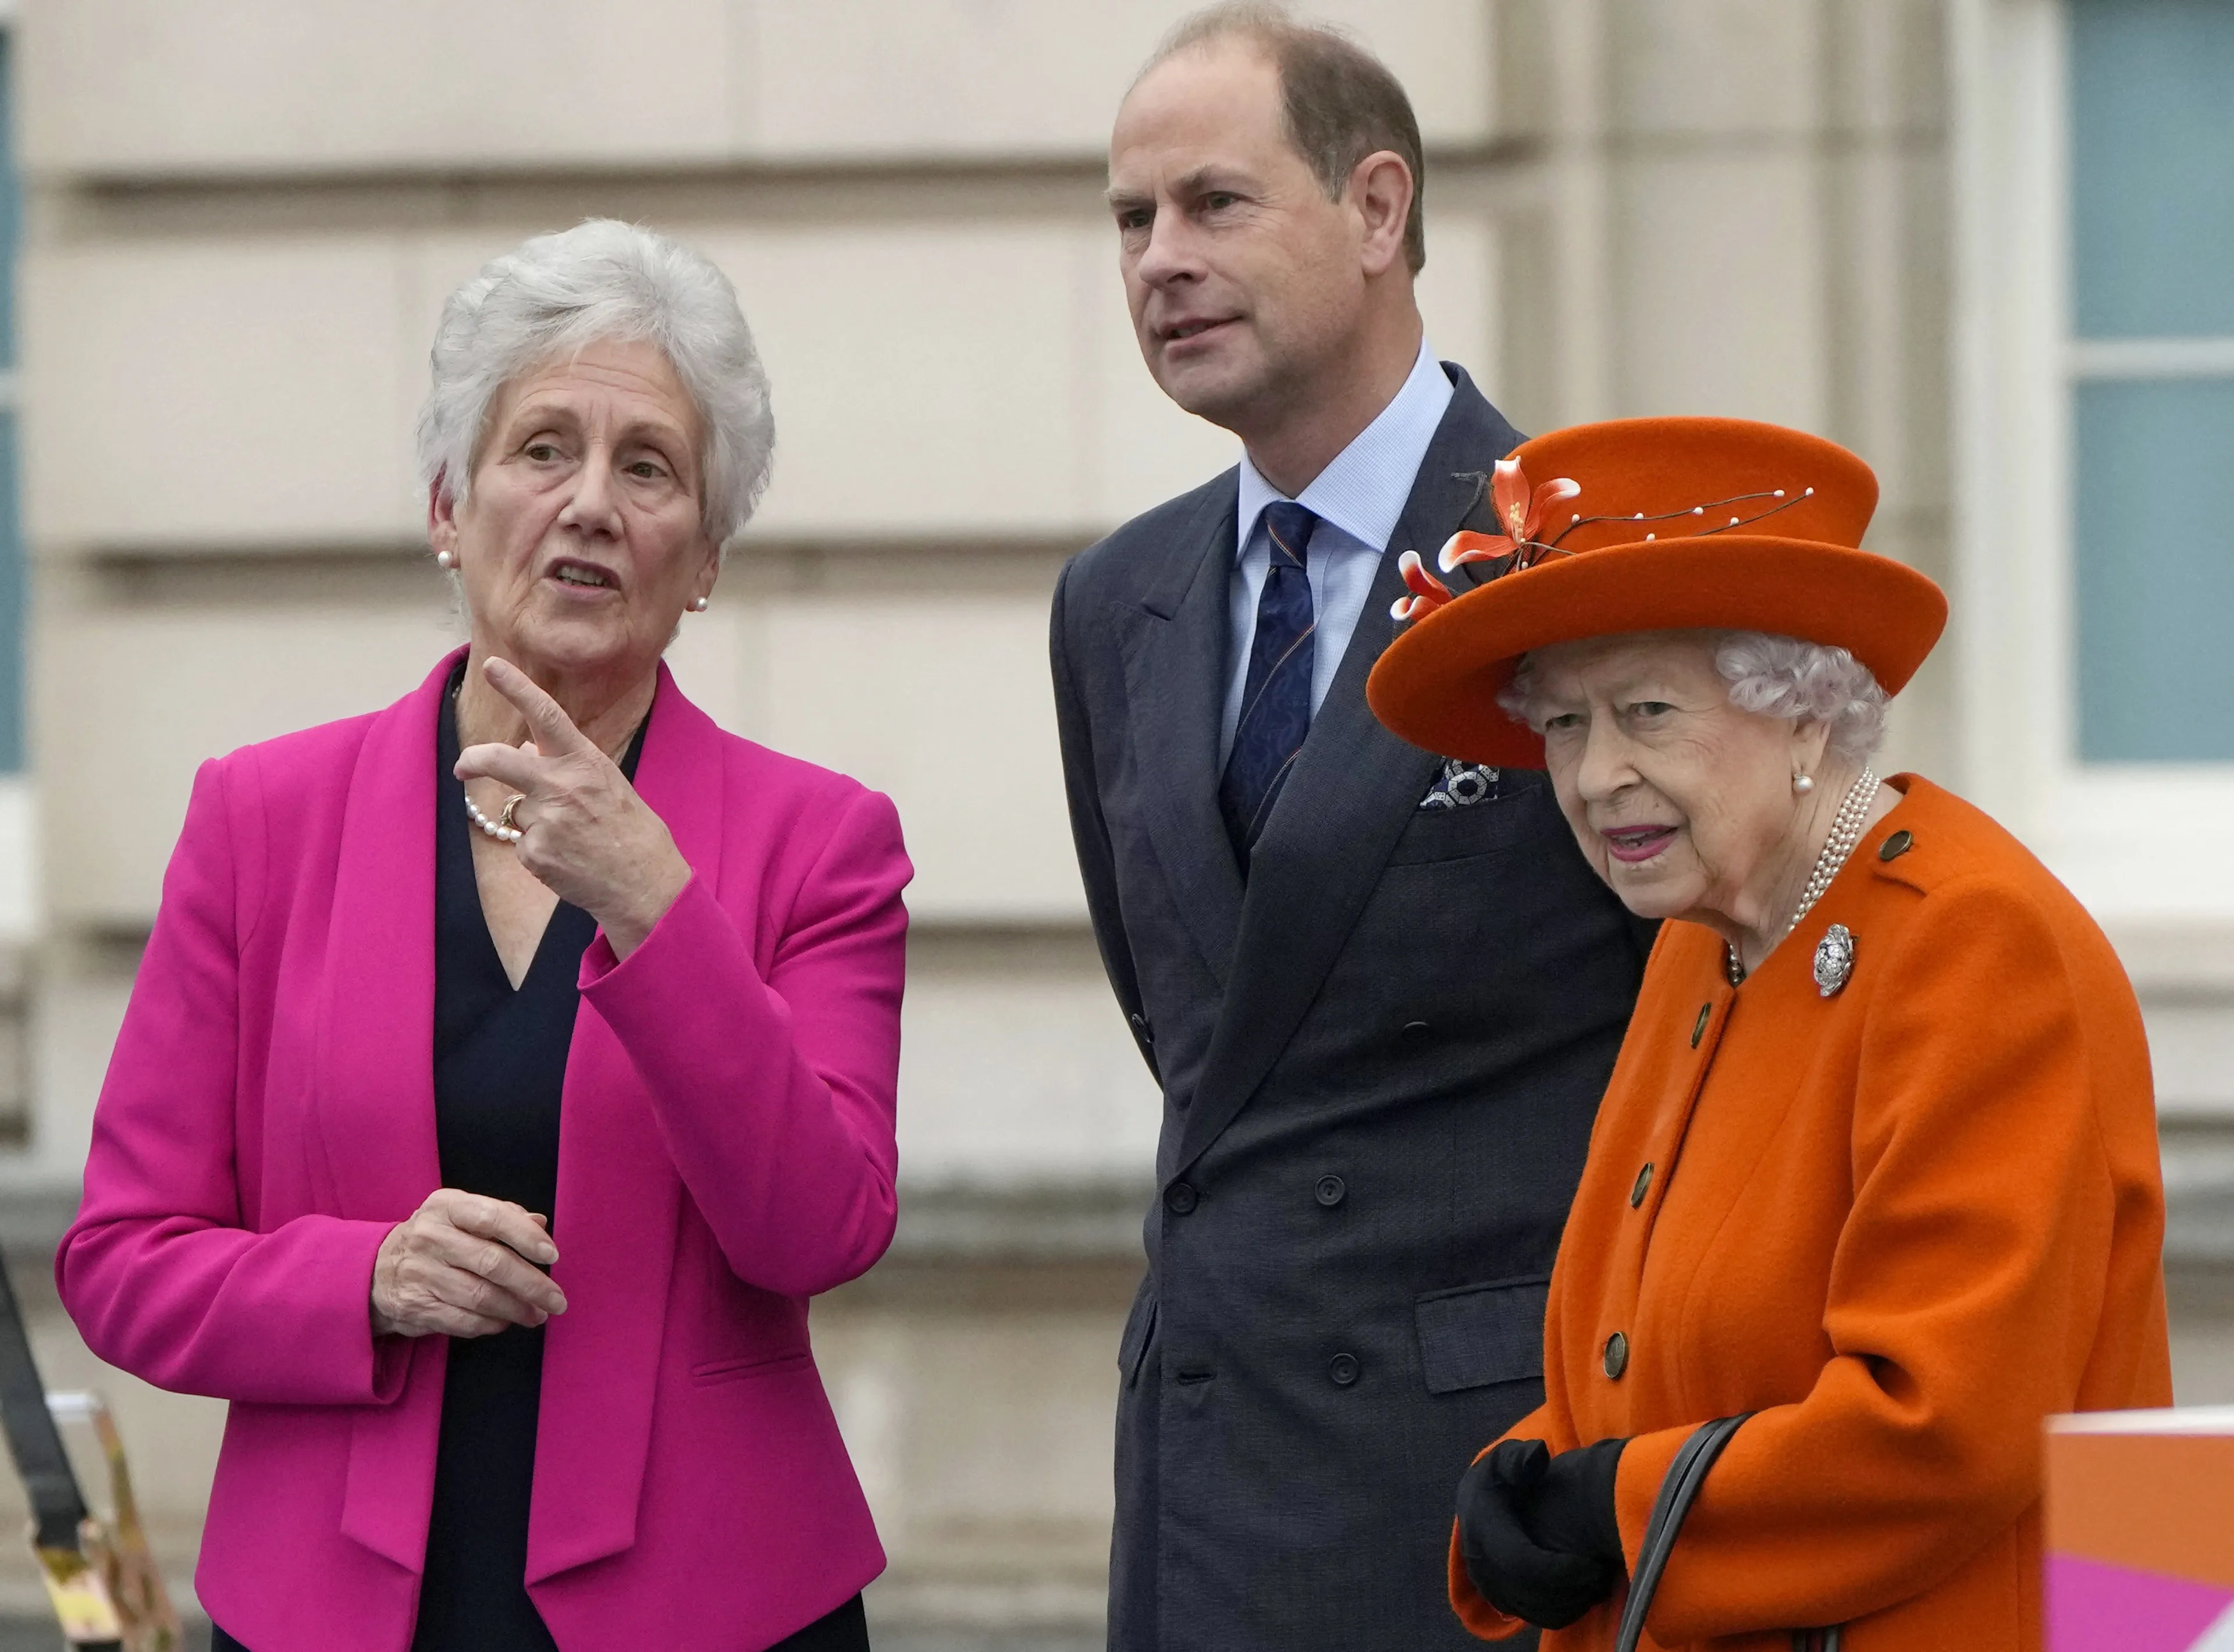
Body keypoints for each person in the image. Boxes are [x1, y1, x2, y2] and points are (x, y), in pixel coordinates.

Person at [56, 220, 909, 1652]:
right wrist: (359, 1276)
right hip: (330, 1600)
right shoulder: (259, 818)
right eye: (541, 449)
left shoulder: (819, 841)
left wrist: (657, 907)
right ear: (449, 504)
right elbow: (124, 1261)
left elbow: (819, 1229)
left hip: (713, 1605)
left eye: (648, 468)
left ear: (700, 559)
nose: (589, 503)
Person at [1365, 414, 2173, 1650]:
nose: (1595, 779)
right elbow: (1671, 1354)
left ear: (1804, 713)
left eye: (1648, 710)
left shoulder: (1975, 941)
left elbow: (1946, 1426)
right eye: (1567, 724)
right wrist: (1535, 1467)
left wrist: (1616, 1509)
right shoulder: (1705, 940)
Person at [1052, 8, 1655, 1647]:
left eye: (1213, 204)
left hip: (1488, 1484)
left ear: (1378, 211)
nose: (1160, 259)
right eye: (1131, 219)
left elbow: (1701, 1037)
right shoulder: (1117, 603)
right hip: (1204, 1449)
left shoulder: (1586, 562)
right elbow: (1196, 1026)